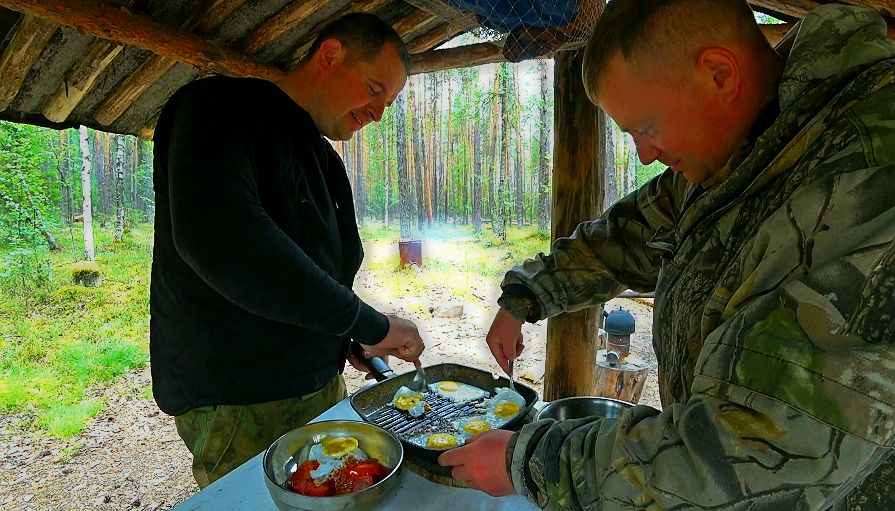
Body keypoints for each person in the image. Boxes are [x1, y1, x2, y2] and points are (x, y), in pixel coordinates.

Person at [439, 1, 895, 509]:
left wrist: (531, 461)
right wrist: (528, 293)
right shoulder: (762, 142)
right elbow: (631, 234)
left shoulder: (864, 174)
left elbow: (751, 452)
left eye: (646, 128)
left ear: (719, 74)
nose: (645, 155)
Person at [150, 13, 425, 488]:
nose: (379, 112)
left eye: (390, 102)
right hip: (240, 397)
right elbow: (226, 243)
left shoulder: (324, 162)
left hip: (319, 387)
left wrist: (348, 340)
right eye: (376, 89)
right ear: (330, 55)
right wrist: (370, 324)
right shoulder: (218, 109)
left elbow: (317, 275)